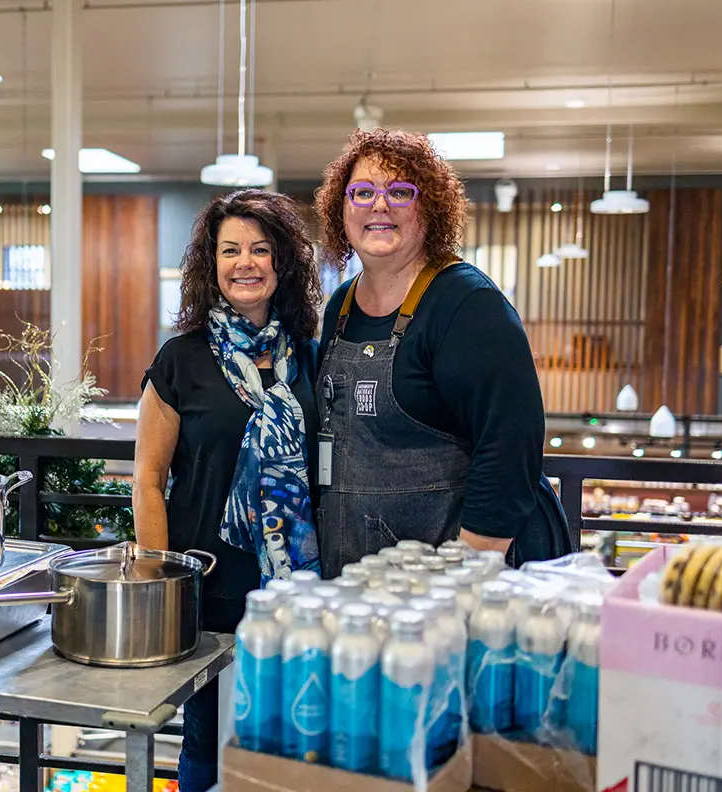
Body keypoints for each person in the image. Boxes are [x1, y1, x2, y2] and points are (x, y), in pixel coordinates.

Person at [313, 128, 572, 576]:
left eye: (399, 192)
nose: (379, 205)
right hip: (361, 577)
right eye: (362, 192)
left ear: (429, 208)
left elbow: (510, 445)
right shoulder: (340, 306)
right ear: (341, 210)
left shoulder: (466, 304)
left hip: (451, 578)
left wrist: (468, 572)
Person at [134, 189, 323, 792]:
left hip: (297, 590)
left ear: (282, 264)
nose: (246, 262)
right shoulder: (181, 359)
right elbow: (146, 479)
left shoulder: (310, 357)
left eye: (261, 250)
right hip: (211, 585)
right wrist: (160, 578)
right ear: (210, 265)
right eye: (231, 250)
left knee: (290, 741)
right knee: (208, 742)